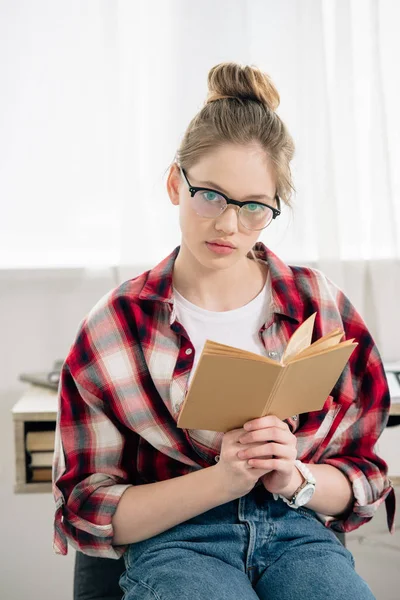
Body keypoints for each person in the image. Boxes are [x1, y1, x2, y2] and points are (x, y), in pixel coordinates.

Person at [52, 62, 396, 600]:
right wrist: (222, 478)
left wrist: (294, 477)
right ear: (175, 184)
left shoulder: (318, 302)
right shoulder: (115, 325)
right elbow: (87, 506)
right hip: (177, 541)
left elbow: (365, 472)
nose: (228, 225)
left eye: (254, 206)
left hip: (298, 533)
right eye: (210, 195)